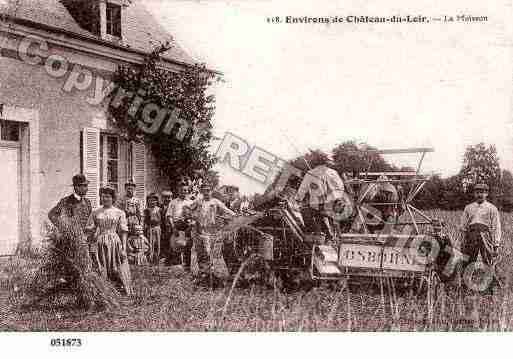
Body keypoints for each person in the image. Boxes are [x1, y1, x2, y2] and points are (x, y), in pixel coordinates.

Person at [85, 187, 132, 295]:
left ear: (113, 198)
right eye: (103, 196)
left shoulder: (119, 212)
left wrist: (124, 248)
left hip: (114, 242)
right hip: (100, 242)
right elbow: (90, 228)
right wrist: (89, 231)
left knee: (116, 267)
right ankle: (105, 292)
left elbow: (124, 231)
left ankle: (121, 291)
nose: (105, 198)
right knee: (101, 266)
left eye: (108, 196)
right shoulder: (96, 212)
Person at [190, 183, 236, 286]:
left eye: (208, 190)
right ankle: (203, 273)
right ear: (201, 192)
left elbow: (227, 210)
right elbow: (189, 209)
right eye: (204, 191)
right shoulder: (198, 201)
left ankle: (210, 275)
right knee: (201, 252)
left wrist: (235, 216)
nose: (206, 193)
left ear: (211, 191)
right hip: (200, 230)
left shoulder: (215, 202)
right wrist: (192, 217)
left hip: (211, 231)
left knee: (209, 252)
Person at [459, 183, 502, 291]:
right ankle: (466, 287)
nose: (480, 194)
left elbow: (496, 226)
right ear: (474, 193)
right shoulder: (468, 208)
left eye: (482, 192)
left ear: (486, 194)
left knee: (488, 261)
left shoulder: (492, 208)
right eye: (477, 192)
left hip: (486, 235)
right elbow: (463, 226)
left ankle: (490, 288)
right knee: (468, 261)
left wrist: (496, 244)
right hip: (471, 235)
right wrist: (463, 240)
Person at [166, 185, 194, 268]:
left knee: (187, 246)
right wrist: (173, 228)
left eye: (185, 190)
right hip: (176, 226)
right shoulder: (173, 202)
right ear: (178, 191)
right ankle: (176, 266)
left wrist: (190, 227)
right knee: (175, 245)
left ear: (188, 191)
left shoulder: (191, 203)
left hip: (187, 227)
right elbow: (169, 215)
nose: (184, 192)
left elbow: (194, 217)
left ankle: (187, 266)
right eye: (182, 190)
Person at [144, 192, 162, 265]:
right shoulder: (146, 210)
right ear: (148, 201)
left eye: (154, 200)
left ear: (157, 201)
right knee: (150, 243)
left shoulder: (159, 209)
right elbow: (145, 220)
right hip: (150, 228)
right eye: (150, 200)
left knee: (157, 243)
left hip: (157, 228)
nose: (152, 202)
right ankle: (150, 258)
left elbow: (162, 220)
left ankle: (157, 258)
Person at [160, 190, 173, 264]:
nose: (167, 199)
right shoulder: (159, 208)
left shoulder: (173, 206)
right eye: (165, 197)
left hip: (171, 228)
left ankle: (171, 258)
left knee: (171, 243)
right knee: (163, 242)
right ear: (162, 198)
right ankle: (164, 258)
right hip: (163, 228)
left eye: (169, 197)